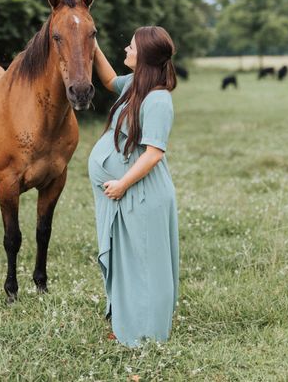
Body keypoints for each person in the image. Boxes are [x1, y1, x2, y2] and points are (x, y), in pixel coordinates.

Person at [88, 26, 179, 347]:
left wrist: (123, 184)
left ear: (146, 57)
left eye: (131, 46)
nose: (126, 49)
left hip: (143, 193)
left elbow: (154, 153)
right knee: (129, 260)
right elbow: (110, 79)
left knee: (146, 262)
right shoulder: (133, 87)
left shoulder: (157, 100)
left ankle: (148, 333)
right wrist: (91, 42)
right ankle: (129, 322)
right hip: (127, 193)